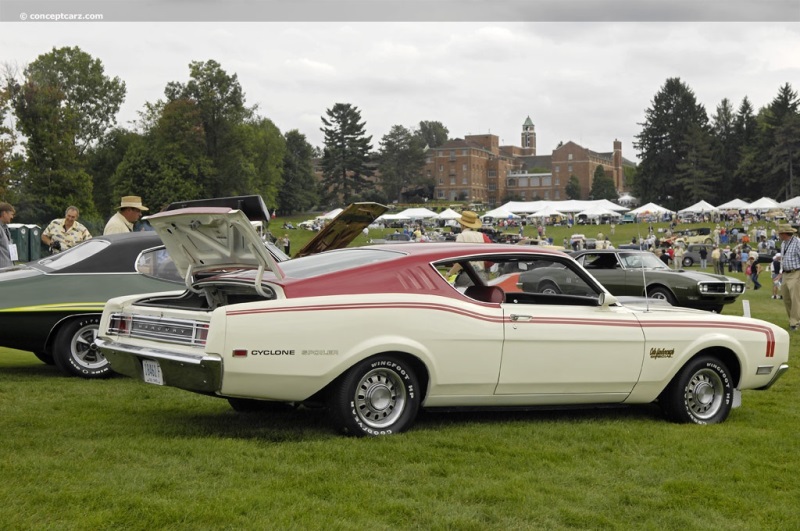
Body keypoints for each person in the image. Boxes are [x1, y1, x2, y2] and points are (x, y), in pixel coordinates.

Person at [449, 211, 491, 286]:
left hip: (467, 275)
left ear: (463, 225)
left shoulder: (462, 236)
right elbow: (490, 260)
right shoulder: (483, 236)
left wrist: (449, 274)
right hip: (481, 275)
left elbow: (459, 260)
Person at [777, 224, 800, 330]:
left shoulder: (797, 242)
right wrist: (781, 272)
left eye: (780, 233)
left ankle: (795, 323)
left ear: (784, 233)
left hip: (796, 273)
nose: (778, 235)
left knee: (795, 299)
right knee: (786, 298)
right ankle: (792, 319)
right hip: (785, 273)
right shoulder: (783, 244)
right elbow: (784, 259)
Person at [0, 202, 16, 268]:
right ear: (4, 213)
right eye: (11, 214)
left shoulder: (5, 228)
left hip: (8, 269)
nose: (12, 217)